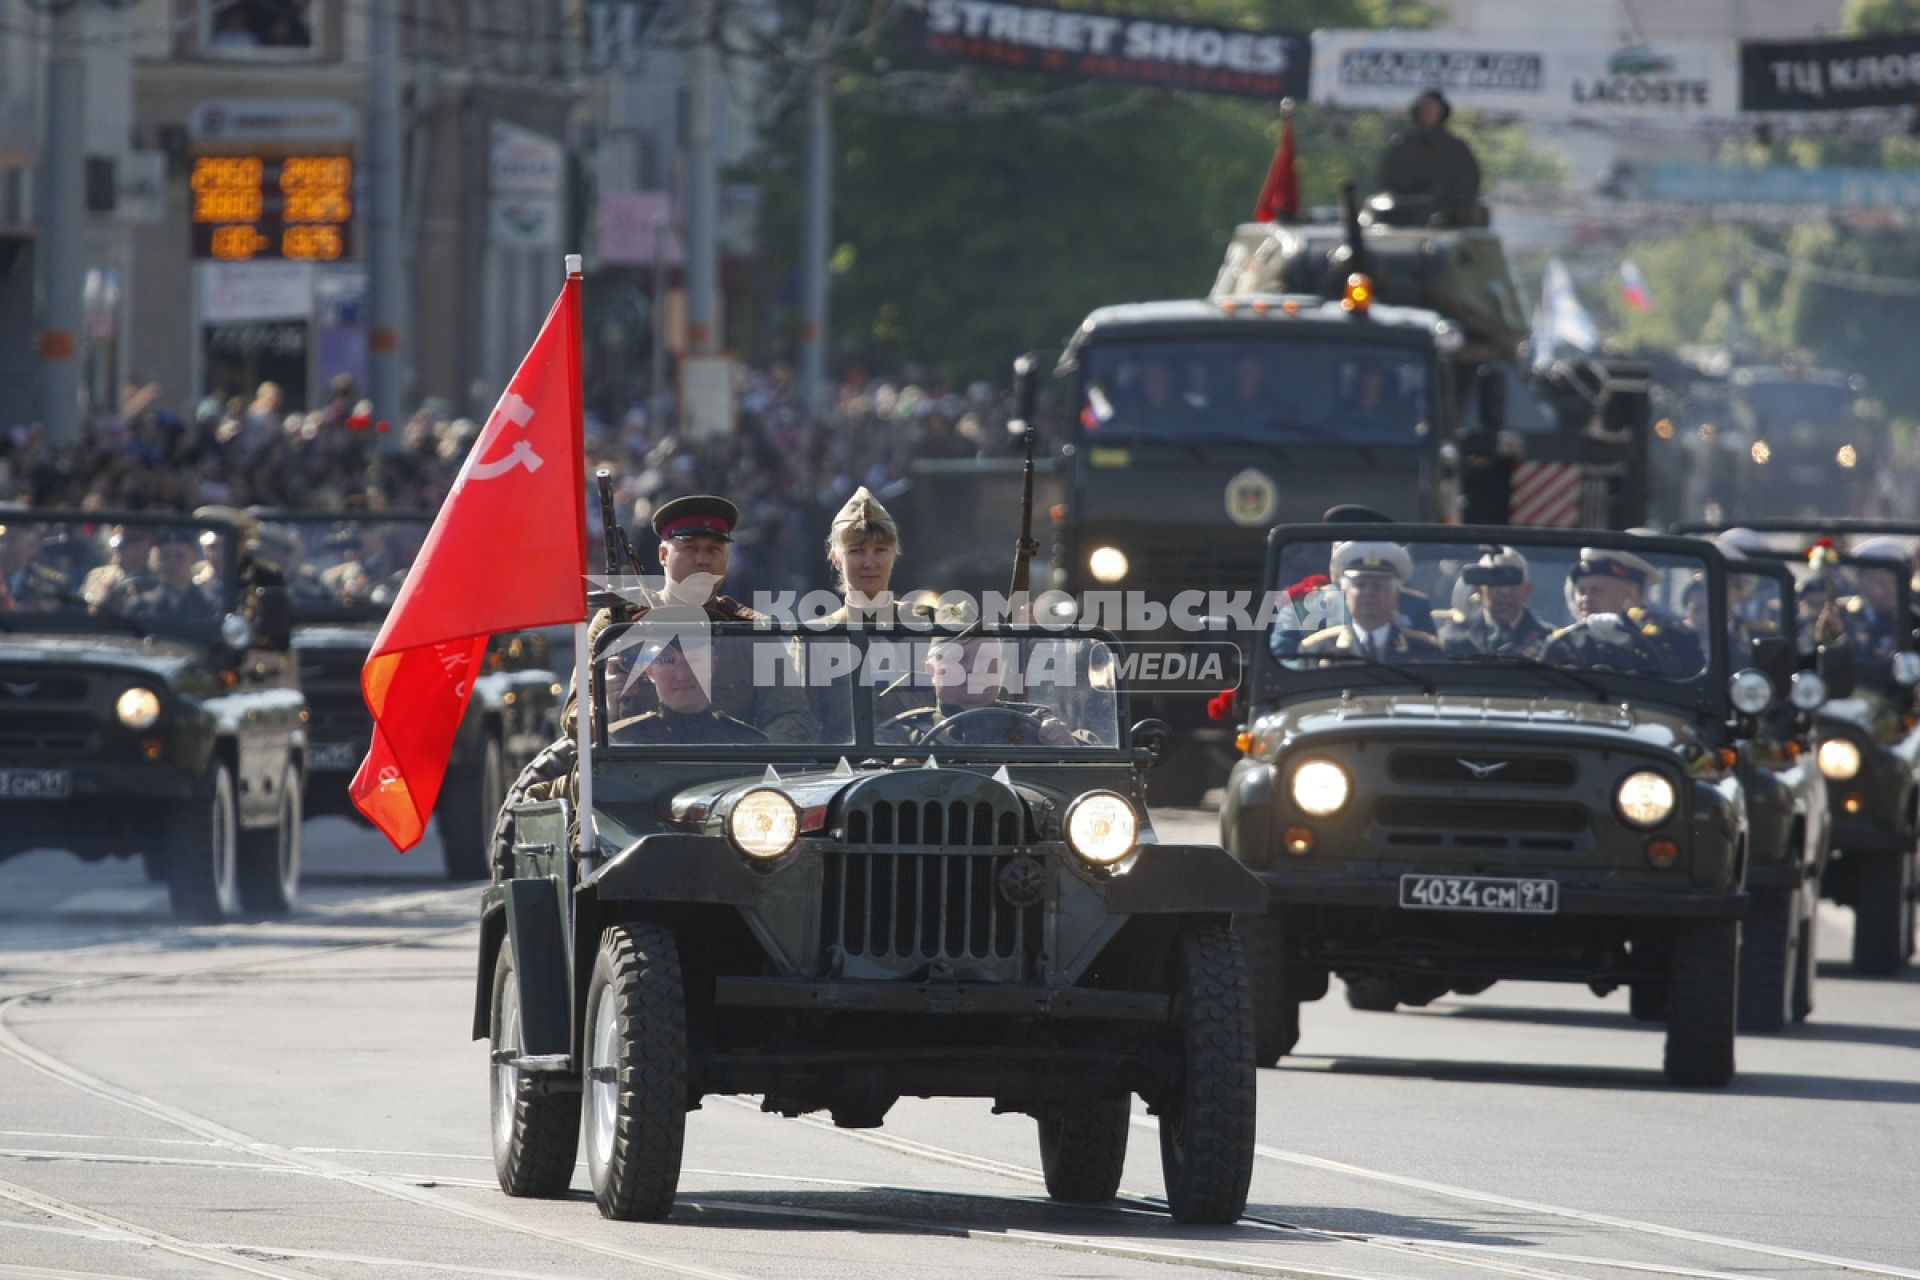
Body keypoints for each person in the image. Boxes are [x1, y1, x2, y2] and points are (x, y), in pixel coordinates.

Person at [877, 628, 1077, 747]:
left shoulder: (1037, 726)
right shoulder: (901, 736)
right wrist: (895, 773)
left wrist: (1070, 748)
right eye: (958, 659)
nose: (973, 668)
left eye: (985, 657)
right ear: (930, 670)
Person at [1541, 547, 1699, 677]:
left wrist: (1629, 645)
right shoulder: (1565, 642)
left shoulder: (1654, 639)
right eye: (1581, 592)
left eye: (1597, 591)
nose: (1586, 599)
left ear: (1625, 594)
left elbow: (1673, 674)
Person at [607, 638, 764, 745]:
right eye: (668, 661)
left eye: (694, 660)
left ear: (712, 666)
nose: (681, 675)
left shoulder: (749, 743)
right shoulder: (622, 742)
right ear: (649, 670)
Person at [1299, 541, 1440, 658]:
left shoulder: (1425, 650)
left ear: (1395, 595)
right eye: (1360, 585)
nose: (1368, 593)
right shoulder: (1316, 651)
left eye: (1377, 586)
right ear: (1345, 594)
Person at [1378, 89, 1482, 219]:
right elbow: (1391, 179)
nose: (1429, 113)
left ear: (1442, 112)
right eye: (1425, 109)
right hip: (1405, 214)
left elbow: (1468, 181)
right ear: (1418, 111)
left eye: (1433, 109)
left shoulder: (1456, 148)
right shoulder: (1402, 146)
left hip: (1450, 217)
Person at [1439, 545, 1551, 658]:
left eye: (1513, 584)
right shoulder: (1453, 638)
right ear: (1479, 589)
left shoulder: (1550, 642)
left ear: (1527, 590)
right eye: (1496, 583)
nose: (1505, 592)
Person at [117, 528, 219, 622]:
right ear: (157, 560)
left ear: (193, 558)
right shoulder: (140, 606)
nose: (172, 563)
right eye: (165, 556)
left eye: (180, 556)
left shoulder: (210, 606)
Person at [1841, 536, 1907, 660]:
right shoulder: (1846, 618)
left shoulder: (1912, 619)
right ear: (1861, 585)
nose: (1889, 590)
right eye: (1881, 582)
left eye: (1894, 583)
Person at [81, 524, 157, 609]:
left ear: (144, 546)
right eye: (117, 536)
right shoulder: (96, 577)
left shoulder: (155, 583)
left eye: (128, 542)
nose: (119, 548)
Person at [0, 522, 65, 610]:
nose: (3, 546)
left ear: (32, 546)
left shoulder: (49, 584)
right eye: (1, 539)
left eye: (12, 540)